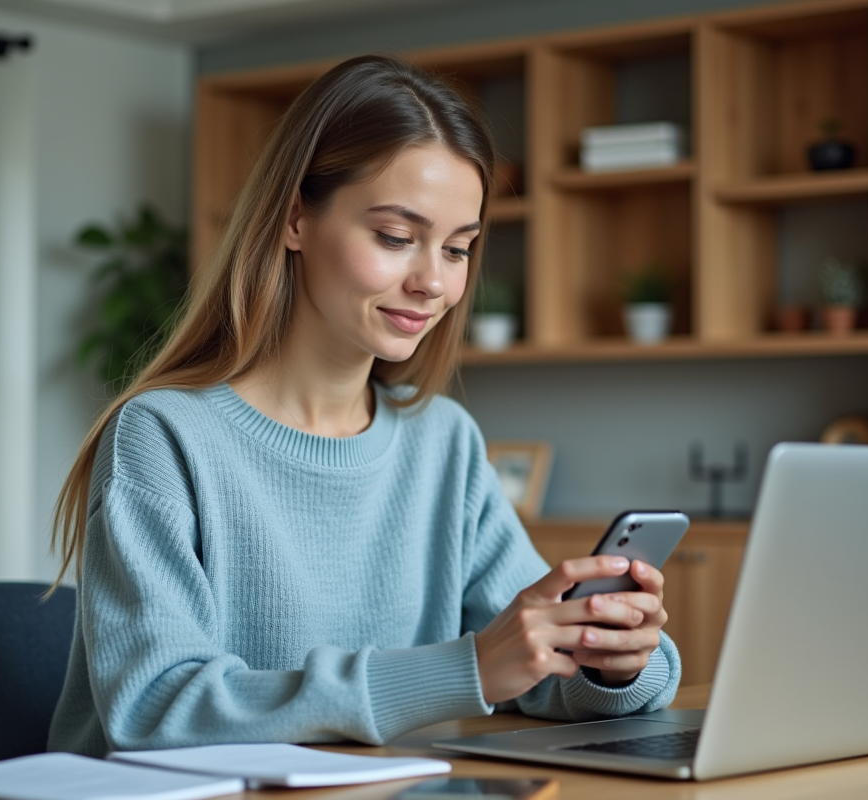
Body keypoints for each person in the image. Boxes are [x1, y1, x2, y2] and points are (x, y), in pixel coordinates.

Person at [47, 54, 682, 758]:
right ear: (294, 220)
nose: (433, 283)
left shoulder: (443, 443)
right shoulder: (164, 436)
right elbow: (154, 707)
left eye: (458, 248)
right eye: (395, 237)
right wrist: (464, 670)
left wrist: (607, 661)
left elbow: (531, 672)